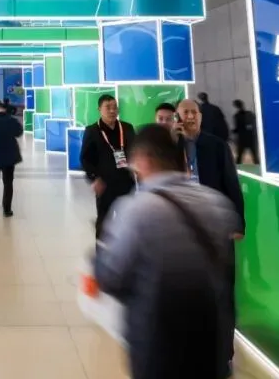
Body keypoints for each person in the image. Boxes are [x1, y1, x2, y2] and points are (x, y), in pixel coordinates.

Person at [95, 123, 238, 379]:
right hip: (211, 342)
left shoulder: (136, 209)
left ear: (144, 159)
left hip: (159, 345)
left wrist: (95, 261)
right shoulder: (216, 203)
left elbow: (112, 277)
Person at [175, 98, 245, 377]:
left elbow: (231, 184)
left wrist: (237, 222)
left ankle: (224, 352)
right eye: (185, 112)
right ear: (178, 116)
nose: (190, 116)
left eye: (194, 112)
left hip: (216, 229)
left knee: (222, 292)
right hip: (183, 229)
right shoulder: (171, 147)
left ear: (201, 116)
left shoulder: (216, 146)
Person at [79, 94, 137, 239]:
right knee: (104, 222)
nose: (112, 111)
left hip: (126, 182)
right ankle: (102, 250)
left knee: (129, 221)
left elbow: (136, 151)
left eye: (115, 107)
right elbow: (85, 159)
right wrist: (94, 179)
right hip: (105, 185)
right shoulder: (92, 131)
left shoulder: (127, 128)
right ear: (99, 109)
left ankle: (126, 250)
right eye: (108, 107)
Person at [232, 99, 259, 165]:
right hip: (250, 137)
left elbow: (238, 128)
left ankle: (237, 168)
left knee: (240, 156)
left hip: (242, 138)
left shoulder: (237, 116)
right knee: (254, 155)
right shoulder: (250, 114)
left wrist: (234, 131)